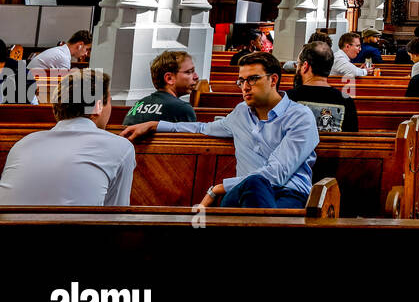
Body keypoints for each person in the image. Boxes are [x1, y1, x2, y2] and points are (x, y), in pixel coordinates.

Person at [122, 52, 319, 209]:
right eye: (241, 81)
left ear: (273, 79)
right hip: (241, 194)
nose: (245, 87)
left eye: (252, 79)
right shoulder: (240, 113)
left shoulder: (300, 116)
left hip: (288, 194)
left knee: (255, 184)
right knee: (248, 190)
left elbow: (277, 173)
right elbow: (202, 128)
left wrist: (219, 188)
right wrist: (156, 124)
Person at [0, 69, 135, 207]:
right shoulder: (121, 147)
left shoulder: (23, 144)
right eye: (109, 102)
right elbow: (117, 213)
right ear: (97, 107)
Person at [288, 41, 358, 133]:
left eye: (298, 64)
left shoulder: (288, 98)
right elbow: (351, 139)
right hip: (334, 147)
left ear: (305, 66)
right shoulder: (346, 101)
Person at [122, 51, 199, 126]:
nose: (196, 77)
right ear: (169, 78)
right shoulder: (183, 109)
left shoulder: (138, 105)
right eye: (189, 72)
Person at [26, 29, 92, 73]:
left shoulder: (60, 51)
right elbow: (64, 86)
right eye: (87, 49)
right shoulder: (63, 57)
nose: (86, 54)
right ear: (80, 45)